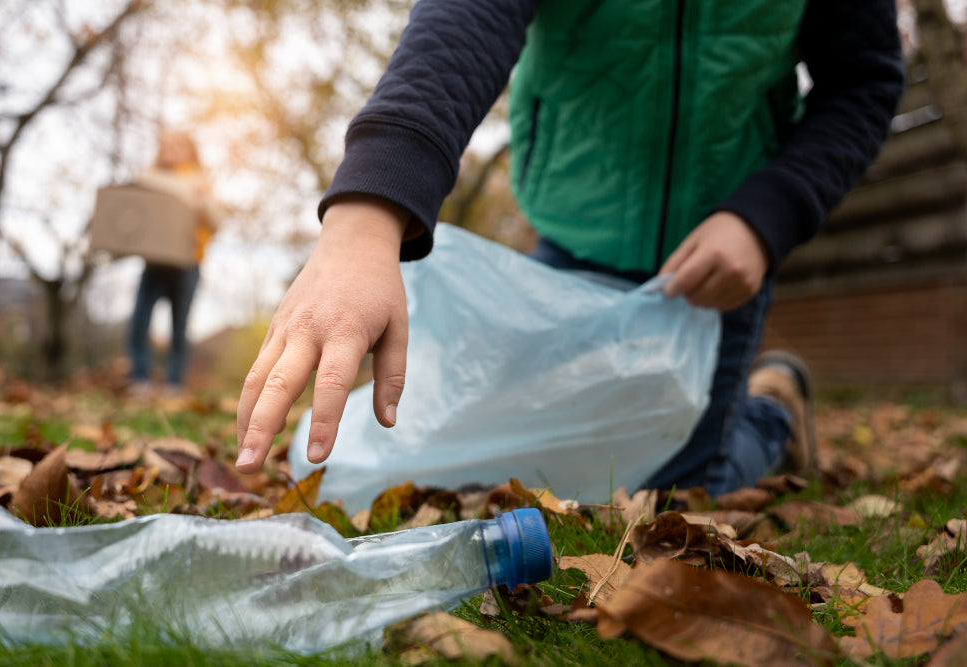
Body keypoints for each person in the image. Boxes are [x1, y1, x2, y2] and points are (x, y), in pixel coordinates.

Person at [234, 1, 905, 495]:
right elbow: (470, 17)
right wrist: (367, 213)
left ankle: (771, 412)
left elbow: (863, 82)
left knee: (674, 496)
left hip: (721, 255)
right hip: (574, 230)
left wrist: (768, 216)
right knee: (554, 466)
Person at [127, 130, 218, 398]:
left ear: (190, 150)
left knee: (180, 327)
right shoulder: (148, 177)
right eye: (165, 144)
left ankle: (174, 385)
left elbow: (216, 223)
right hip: (154, 263)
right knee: (139, 322)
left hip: (187, 264)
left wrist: (200, 195)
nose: (170, 148)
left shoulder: (201, 182)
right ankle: (140, 380)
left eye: (177, 144)